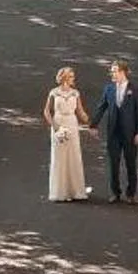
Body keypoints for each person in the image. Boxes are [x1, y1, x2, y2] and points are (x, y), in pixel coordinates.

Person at [92, 58, 138, 203]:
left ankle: (131, 194)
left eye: (114, 71)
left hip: (130, 133)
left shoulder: (135, 90)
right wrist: (93, 124)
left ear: (122, 72)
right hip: (113, 132)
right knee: (113, 164)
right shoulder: (109, 89)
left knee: (130, 164)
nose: (112, 74)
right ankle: (115, 192)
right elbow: (101, 107)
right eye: (112, 72)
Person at [43, 67, 90, 202]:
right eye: (70, 76)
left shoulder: (75, 93)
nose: (72, 79)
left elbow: (81, 112)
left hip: (72, 124)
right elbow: (46, 112)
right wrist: (55, 127)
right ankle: (60, 192)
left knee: (73, 156)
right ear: (63, 77)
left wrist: (91, 123)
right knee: (59, 157)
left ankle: (75, 191)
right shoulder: (54, 93)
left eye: (72, 76)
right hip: (58, 123)